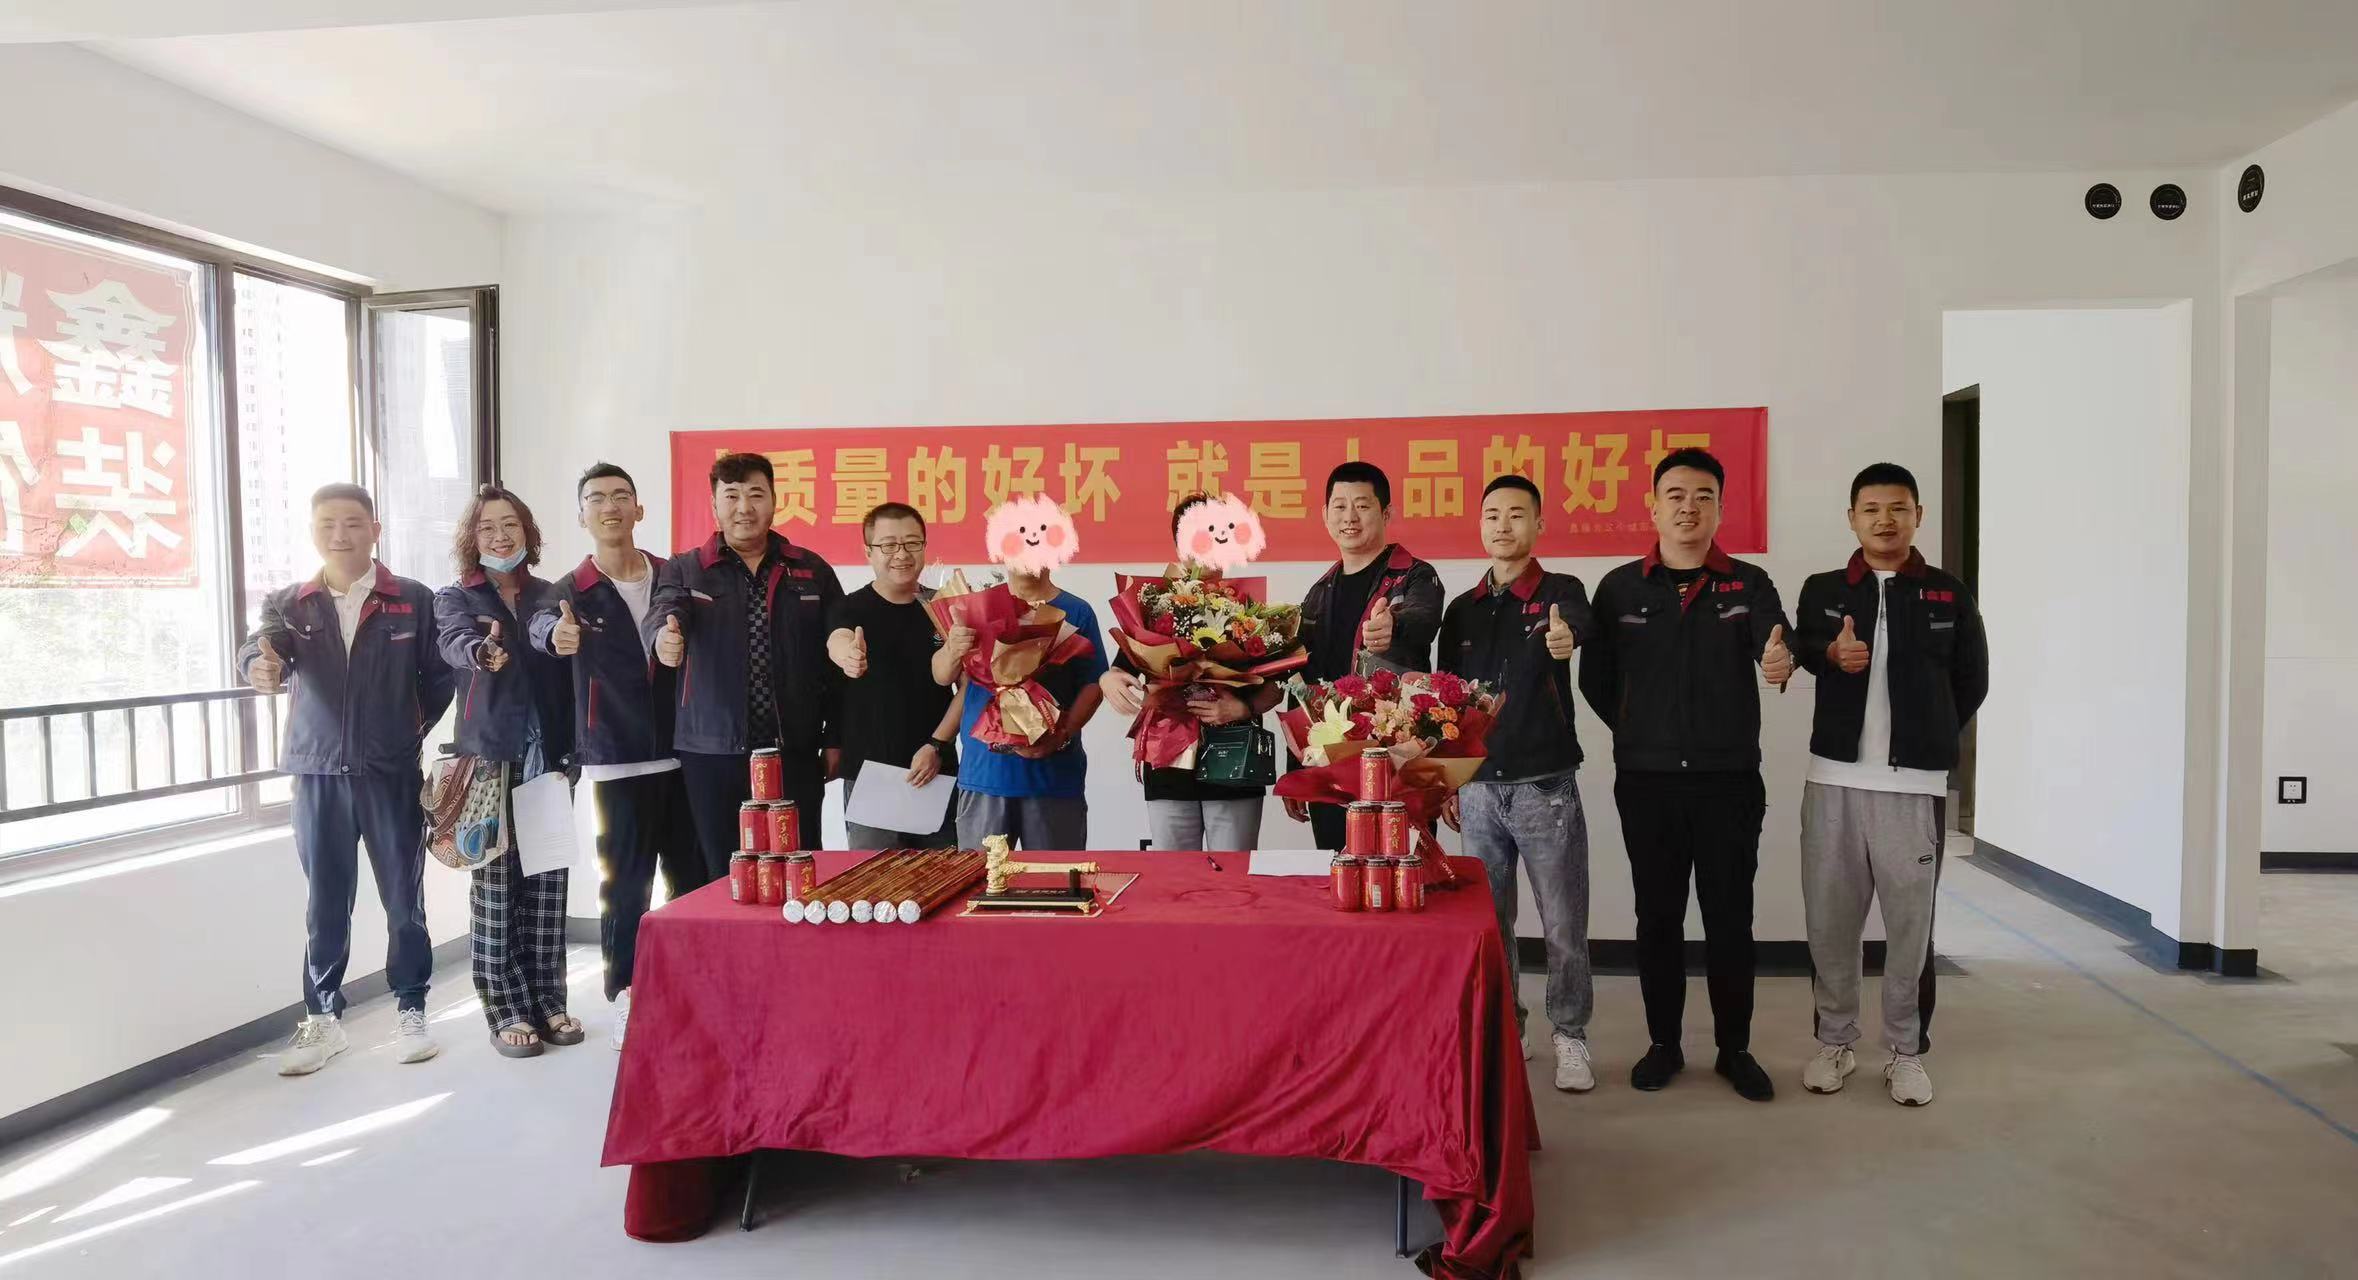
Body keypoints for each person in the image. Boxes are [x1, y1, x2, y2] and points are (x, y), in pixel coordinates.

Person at [1580, 448, 1793, 1101]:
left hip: (1729, 781)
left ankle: (1735, 1049)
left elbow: (1774, 642)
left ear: (1721, 508)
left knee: (1730, 917)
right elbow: (1596, 678)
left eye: (1703, 496)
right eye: (1675, 495)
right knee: (1658, 916)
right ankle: (1663, 1044)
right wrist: (1638, 729)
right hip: (1646, 782)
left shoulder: (1748, 583)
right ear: (1652, 506)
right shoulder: (1620, 588)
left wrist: (1779, 660)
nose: (1688, 507)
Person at [1790, 463, 1988, 1106]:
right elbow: (1805, 646)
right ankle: (1835, 1041)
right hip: (1834, 782)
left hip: (1913, 790)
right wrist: (1830, 655)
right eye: (1871, 508)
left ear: (1917, 516)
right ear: (1852, 518)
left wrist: (1929, 734)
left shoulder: (1948, 594)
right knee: (1830, 924)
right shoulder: (1822, 589)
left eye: (1898, 508)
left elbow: (1973, 679)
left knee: (1910, 930)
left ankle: (1906, 1051)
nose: (1884, 519)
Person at [239, 483, 452, 1076]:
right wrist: (258, 666)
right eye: (328, 523)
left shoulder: (413, 600)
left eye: (354, 523)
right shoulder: (290, 602)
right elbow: (261, 649)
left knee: (404, 901)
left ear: (374, 531)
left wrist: (404, 733)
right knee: (326, 902)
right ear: (313, 532)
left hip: (389, 775)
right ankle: (323, 1018)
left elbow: (438, 679)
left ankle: (411, 1009)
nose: (341, 534)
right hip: (317, 776)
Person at [529, 462, 701, 1050]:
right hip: (615, 756)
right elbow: (540, 626)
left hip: (686, 752)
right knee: (626, 888)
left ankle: (692, 993)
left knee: (693, 882)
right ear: (582, 516)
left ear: (639, 509)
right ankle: (630, 995)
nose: (610, 506)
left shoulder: (671, 573)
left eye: (621, 496)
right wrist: (554, 637)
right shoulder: (568, 591)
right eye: (597, 498)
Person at [1437, 475, 1598, 1091]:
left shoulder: (1561, 592)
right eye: (1492, 515)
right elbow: (1445, 704)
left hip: (1543, 786)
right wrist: (1449, 781)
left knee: (1562, 922)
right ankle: (1509, 1028)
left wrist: (1565, 637)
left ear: (1539, 524)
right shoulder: (1462, 608)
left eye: (1516, 514)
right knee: (1491, 923)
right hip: (1478, 790)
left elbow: (1579, 626)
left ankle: (1570, 1035)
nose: (1503, 525)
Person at [435, 485, 581, 1058]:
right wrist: (481, 652)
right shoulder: (455, 597)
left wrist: (555, 636)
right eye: (488, 528)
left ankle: (548, 1001)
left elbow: (546, 628)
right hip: (488, 762)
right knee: (496, 889)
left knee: (547, 885)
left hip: (549, 762)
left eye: (510, 526)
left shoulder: (551, 594)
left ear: (527, 533)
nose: (500, 537)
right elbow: (454, 640)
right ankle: (505, 1009)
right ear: (472, 538)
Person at [649, 452, 845, 880]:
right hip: (712, 751)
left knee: (798, 867)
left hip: (794, 749)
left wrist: (835, 737)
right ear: (714, 504)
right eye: (732, 496)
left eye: (756, 495)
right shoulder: (686, 568)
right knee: (721, 871)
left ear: (774, 500)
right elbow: (664, 612)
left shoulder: (810, 569)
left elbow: (837, 646)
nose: (744, 508)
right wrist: (664, 638)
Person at [1099, 494, 1286, 852]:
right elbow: (1122, 667)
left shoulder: (1252, 611)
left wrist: (1242, 708)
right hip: (1168, 764)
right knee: (1174, 877)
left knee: (1233, 879)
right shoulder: (1153, 607)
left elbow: (1276, 686)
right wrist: (1108, 680)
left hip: (1235, 765)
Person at [1284, 462, 1445, 849]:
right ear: (1325, 515)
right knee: (1338, 871)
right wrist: (1296, 768)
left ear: (1386, 513)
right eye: (1339, 507)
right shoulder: (1317, 593)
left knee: (1404, 873)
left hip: (1396, 761)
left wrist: (1394, 625)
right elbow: (1301, 683)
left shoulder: (1416, 576)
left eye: (1362, 505)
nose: (1350, 517)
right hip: (1331, 764)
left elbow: (1423, 618)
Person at [932, 530, 1109, 852]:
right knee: (981, 879)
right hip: (985, 773)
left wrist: (1062, 734)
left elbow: (1093, 684)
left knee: (1054, 879)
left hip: (1054, 776)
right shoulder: (976, 606)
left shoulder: (1077, 610)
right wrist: (953, 648)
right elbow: (943, 676)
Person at [824, 502, 963, 849]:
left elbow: (970, 688)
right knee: (873, 879)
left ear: (924, 547)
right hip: (871, 777)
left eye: (912, 543)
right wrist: (848, 656)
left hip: (935, 770)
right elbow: (837, 640)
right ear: (868, 552)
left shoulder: (946, 608)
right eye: (888, 545)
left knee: (941, 876)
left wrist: (938, 744)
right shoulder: (849, 607)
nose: (901, 554)